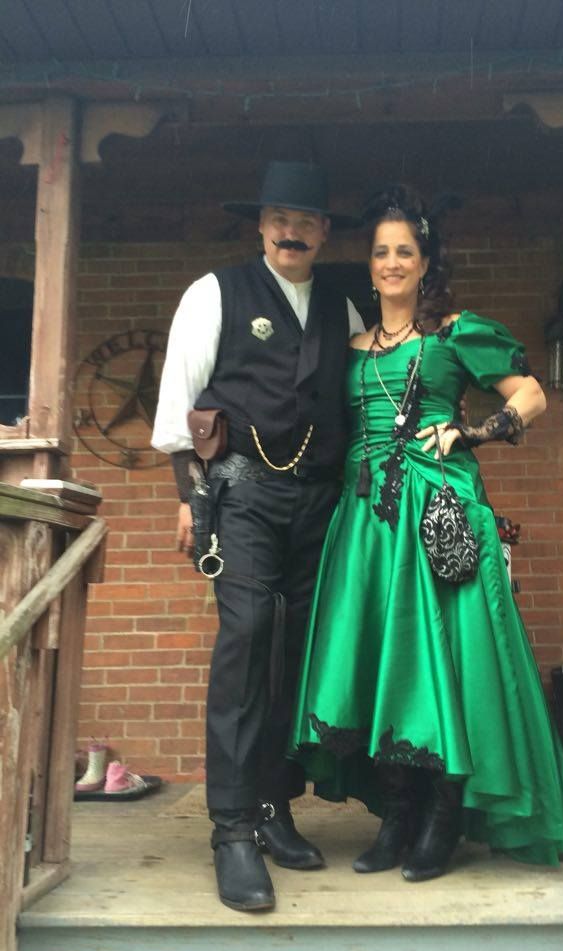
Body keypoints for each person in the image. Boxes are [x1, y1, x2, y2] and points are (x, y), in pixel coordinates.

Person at [290, 184, 563, 880]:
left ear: (425, 264)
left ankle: (442, 822)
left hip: (437, 513)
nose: (392, 263)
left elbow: (531, 394)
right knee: (384, 665)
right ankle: (395, 819)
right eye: (381, 252)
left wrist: (474, 431)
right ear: (368, 266)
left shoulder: (455, 334)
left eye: (405, 252)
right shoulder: (351, 346)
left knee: (440, 664)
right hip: (364, 523)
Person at [151, 161, 365, 912]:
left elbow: (371, 393)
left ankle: (273, 807)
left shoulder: (345, 306)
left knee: (294, 655)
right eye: (278, 216)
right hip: (240, 496)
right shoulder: (215, 292)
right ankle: (232, 830)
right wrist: (190, 500)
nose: (290, 230)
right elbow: (180, 407)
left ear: (324, 232)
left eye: (305, 219)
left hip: (321, 504)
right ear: (261, 225)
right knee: (245, 646)